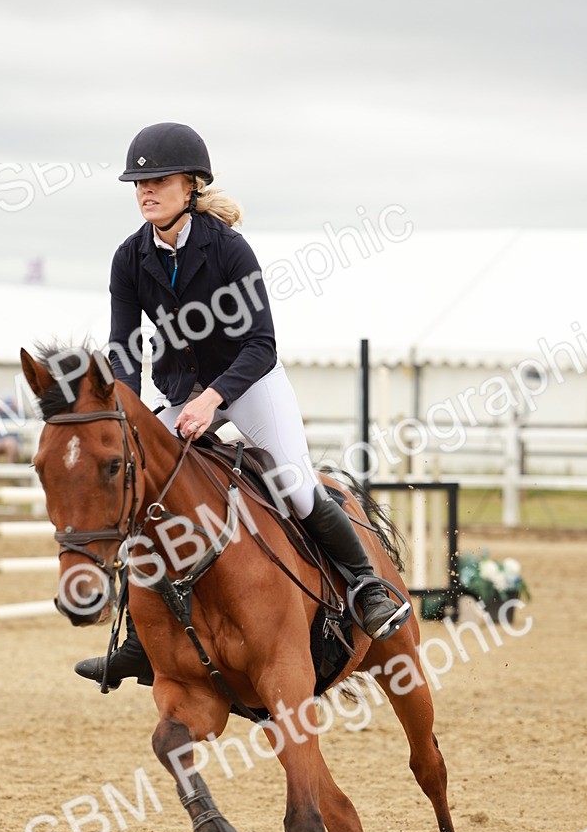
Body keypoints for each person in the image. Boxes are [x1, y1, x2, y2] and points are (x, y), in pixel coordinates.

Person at [75, 122, 410, 688]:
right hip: (181, 393)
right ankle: (138, 640)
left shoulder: (228, 249)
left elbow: (261, 344)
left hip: (249, 383)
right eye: (139, 183)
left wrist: (214, 398)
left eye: (158, 181)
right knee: (141, 490)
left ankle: (367, 588)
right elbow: (123, 347)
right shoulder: (129, 258)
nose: (146, 190)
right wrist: (127, 409)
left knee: (295, 484)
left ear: (191, 186)